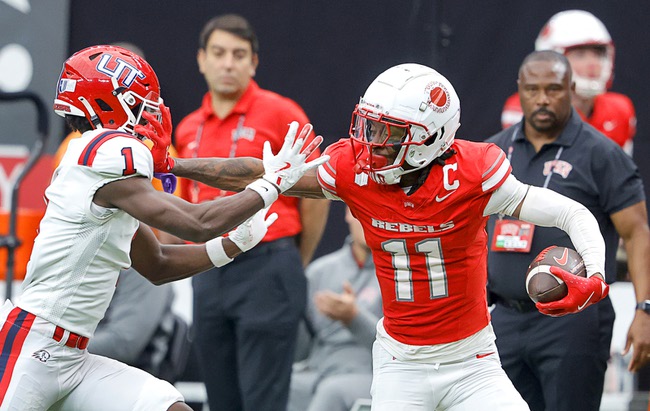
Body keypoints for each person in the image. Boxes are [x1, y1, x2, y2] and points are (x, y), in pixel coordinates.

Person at [152, 61, 613, 410]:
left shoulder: (473, 174)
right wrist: (171, 165)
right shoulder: (354, 169)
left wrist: (594, 273)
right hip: (401, 363)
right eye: (369, 126)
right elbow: (262, 172)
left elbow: (570, 212)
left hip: (473, 362)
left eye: (388, 133)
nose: (371, 143)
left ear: (431, 137)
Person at [0, 44, 325, 411]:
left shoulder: (105, 173)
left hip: (75, 357)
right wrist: (270, 187)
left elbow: (157, 264)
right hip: (31, 347)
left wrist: (232, 245)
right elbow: (195, 222)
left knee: (170, 408)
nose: (151, 116)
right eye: (141, 105)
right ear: (107, 105)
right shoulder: (102, 152)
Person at [170, 14, 329, 411]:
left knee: (263, 400)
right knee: (220, 397)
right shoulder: (187, 127)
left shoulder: (281, 112)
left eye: (239, 55)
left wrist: (293, 258)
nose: (228, 63)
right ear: (201, 59)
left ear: (254, 62)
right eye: (219, 53)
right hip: (208, 268)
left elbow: (315, 194)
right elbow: (186, 203)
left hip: (268, 265)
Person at [486, 50, 650, 411]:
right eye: (532, 89)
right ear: (519, 90)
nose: (542, 99)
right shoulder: (494, 152)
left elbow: (638, 233)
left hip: (573, 321)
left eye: (554, 89)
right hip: (504, 318)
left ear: (572, 89)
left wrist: (644, 310)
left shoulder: (601, 154)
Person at [500, 10, 637, 156]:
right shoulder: (525, 108)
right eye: (580, 55)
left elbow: (621, 174)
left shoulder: (619, 109)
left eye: (598, 54)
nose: (592, 64)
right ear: (551, 60)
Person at [288, 206, 381, 411]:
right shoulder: (319, 271)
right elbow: (299, 352)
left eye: (377, 214)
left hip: (373, 375)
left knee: (332, 392)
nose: (369, 222)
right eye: (362, 213)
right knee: (280, 385)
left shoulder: (400, 274)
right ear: (348, 214)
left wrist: (353, 317)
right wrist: (294, 317)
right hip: (318, 370)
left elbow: (400, 348)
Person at [86, 267, 179, 382]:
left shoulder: (142, 268)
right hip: (80, 369)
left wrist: (63, 348)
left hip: (120, 381)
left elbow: (123, 343)